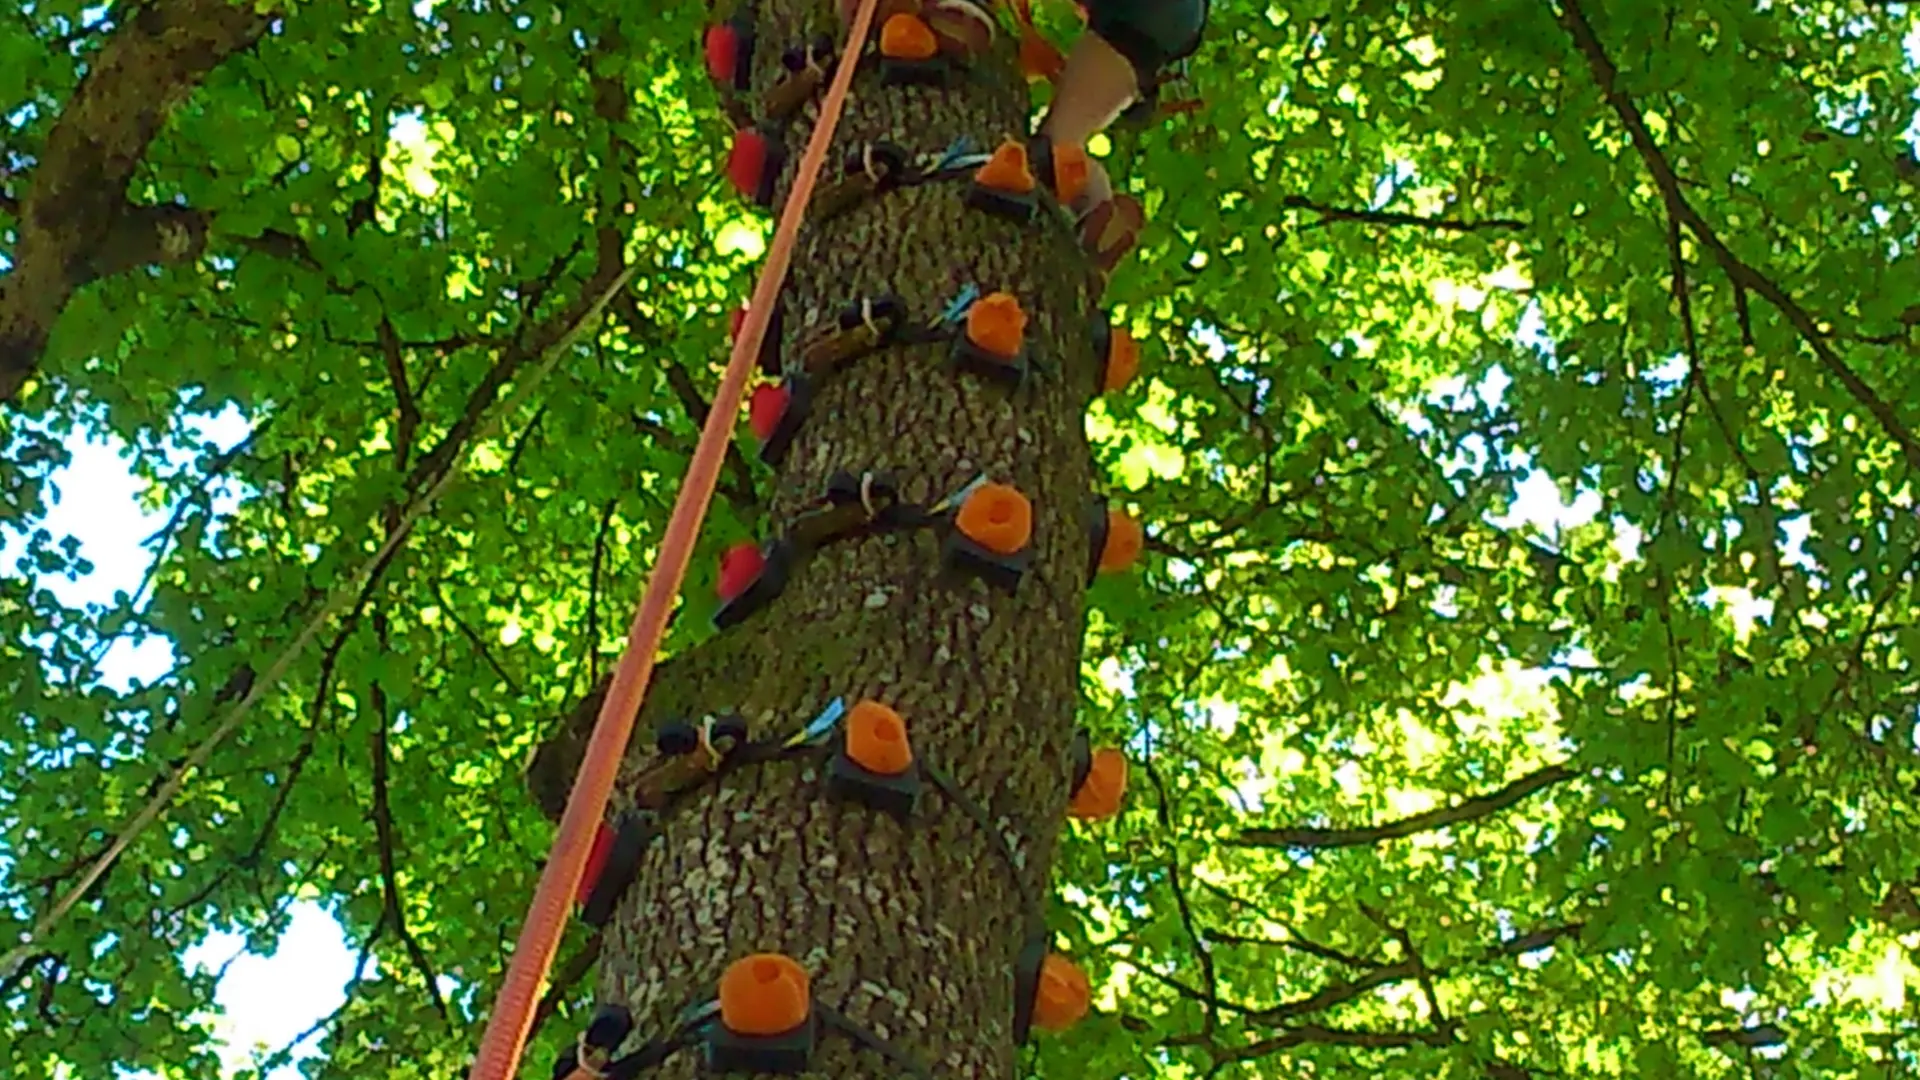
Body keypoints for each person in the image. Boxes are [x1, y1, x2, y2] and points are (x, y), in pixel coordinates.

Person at [1037, 0, 1209, 213]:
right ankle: (1097, 215)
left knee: (1055, 151)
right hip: (1165, 27)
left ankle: (1096, 215)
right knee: (1059, 150)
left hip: (1145, 23)